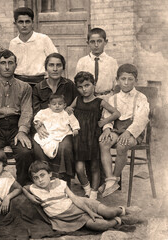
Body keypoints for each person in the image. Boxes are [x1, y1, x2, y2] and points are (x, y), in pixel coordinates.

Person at [22, 160, 128, 232]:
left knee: (109, 212)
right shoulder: (34, 188)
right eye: (35, 178)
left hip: (79, 205)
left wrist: (90, 212)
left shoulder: (60, 183)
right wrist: (29, 196)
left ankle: (121, 210)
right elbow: (23, 188)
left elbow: (75, 199)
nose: (40, 180)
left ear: (50, 174)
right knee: (100, 225)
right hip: (68, 218)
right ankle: (117, 221)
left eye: (42, 175)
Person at [0, 49, 33, 186]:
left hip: (17, 126)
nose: (7, 67)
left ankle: (21, 185)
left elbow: (27, 111)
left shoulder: (25, 87)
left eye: (10, 63)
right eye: (3, 63)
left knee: (25, 152)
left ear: (16, 65)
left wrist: (22, 131)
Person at [99, 64, 149, 197]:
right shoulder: (113, 98)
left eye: (130, 79)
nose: (126, 83)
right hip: (116, 129)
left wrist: (129, 132)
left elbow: (141, 119)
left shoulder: (141, 98)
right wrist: (107, 129)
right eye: (123, 79)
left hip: (133, 132)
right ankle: (110, 179)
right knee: (104, 142)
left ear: (136, 80)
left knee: (122, 145)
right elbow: (107, 117)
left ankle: (115, 178)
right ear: (117, 80)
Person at [71, 71, 120, 199]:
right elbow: (67, 112)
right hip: (80, 138)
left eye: (87, 85)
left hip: (93, 137)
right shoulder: (77, 100)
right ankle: (86, 187)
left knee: (94, 166)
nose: (84, 89)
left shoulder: (100, 102)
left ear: (94, 84)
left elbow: (116, 113)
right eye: (80, 87)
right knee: (79, 168)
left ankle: (93, 192)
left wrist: (104, 122)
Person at [32, 53, 78, 183]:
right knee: (38, 146)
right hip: (45, 128)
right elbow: (35, 110)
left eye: (58, 65)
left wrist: (71, 110)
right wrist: (38, 126)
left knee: (66, 147)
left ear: (63, 68)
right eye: (51, 65)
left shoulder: (69, 85)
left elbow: (77, 104)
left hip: (64, 129)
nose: (55, 68)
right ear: (46, 68)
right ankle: (44, 180)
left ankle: (64, 180)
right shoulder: (39, 87)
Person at [9, 7, 57, 85]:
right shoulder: (13, 43)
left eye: (27, 22)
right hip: (18, 82)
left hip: (39, 81)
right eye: (21, 22)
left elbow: (55, 60)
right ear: (15, 24)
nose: (24, 25)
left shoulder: (43, 39)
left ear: (33, 23)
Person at [76, 28, 118, 100]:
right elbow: (78, 84)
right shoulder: (82, 62)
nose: (96, 45)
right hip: (88, 99)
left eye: (99, 41)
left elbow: (116, 84)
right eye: (92, 42)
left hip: (107, 98)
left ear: (105, 42)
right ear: (87, 43)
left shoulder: (112, 62)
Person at [33, 94, 80, 159]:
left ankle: (54, 155)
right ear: (49, 105)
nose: (57, 106)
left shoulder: (66, 113)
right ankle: (50, 154)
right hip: (49, 133)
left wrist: (75, 129)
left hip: (63, 133)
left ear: (64, 105)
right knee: (42, 140)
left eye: (60, 104)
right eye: (54, 104)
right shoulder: (45, 112)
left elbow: (73, 121)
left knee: (64, 145)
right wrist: (38, 122)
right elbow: (38, 117)